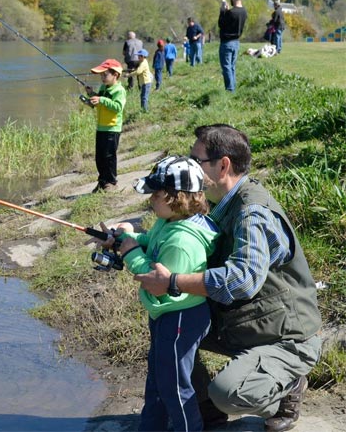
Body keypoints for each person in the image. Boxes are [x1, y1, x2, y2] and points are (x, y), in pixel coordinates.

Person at [133, 124, 322, 432]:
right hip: (247, 322)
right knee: (170, 334)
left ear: (223, 165)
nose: (190, 166)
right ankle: (205, 408)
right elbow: (180, 238)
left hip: (285, 334)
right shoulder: (220, 203)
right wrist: (130, 243)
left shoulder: (252, 213)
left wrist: (173, 282)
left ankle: (288, 384)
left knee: (230, 393)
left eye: (196, 160)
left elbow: (242, 279)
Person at [95, 156, 219, 432]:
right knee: (158, 380)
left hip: (180, 318)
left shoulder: (182, 241)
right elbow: (152, 242)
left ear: (176, 198)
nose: (150, 199)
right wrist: (124, 240)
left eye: (156, 194)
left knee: (174, 386)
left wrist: (130, 254)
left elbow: (157, 283)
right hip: (167, 318)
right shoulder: (171, 222)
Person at [84, 59, 127, 193]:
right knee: (100, 157)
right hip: (101, 127)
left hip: (112, 128)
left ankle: (111, 182)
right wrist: (92, 95)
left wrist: (101, 99)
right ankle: (102, 181)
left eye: (105, 74)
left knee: (109, 157)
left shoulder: (119, 90)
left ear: (116, 75)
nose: (102, 77)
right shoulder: (103, 88)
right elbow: (100, 102)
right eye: (101, 75)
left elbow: (118, 107)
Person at [218, 0, 248, 92]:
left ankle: (230, 90)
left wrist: (223, 11)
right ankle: (233, 87)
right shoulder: (244, 11)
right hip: (236, 42)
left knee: (226, 67)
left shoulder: (231, 13)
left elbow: (221, 24)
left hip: (227, 42)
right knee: (232, 67)